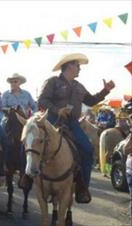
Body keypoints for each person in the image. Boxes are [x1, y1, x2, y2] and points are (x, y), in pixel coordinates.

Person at [38, 53, 115, 203]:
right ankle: (27, 176)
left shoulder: (79, 86)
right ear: (69, 66)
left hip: (72, 123)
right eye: (78, 65)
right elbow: (42, 100)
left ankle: (82, 188)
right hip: (53, 120)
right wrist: (56, 109)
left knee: (87, 149)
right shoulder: (52, 82)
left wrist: (105, 90)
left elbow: (91, 101)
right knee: (34, 144)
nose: (80, 68)